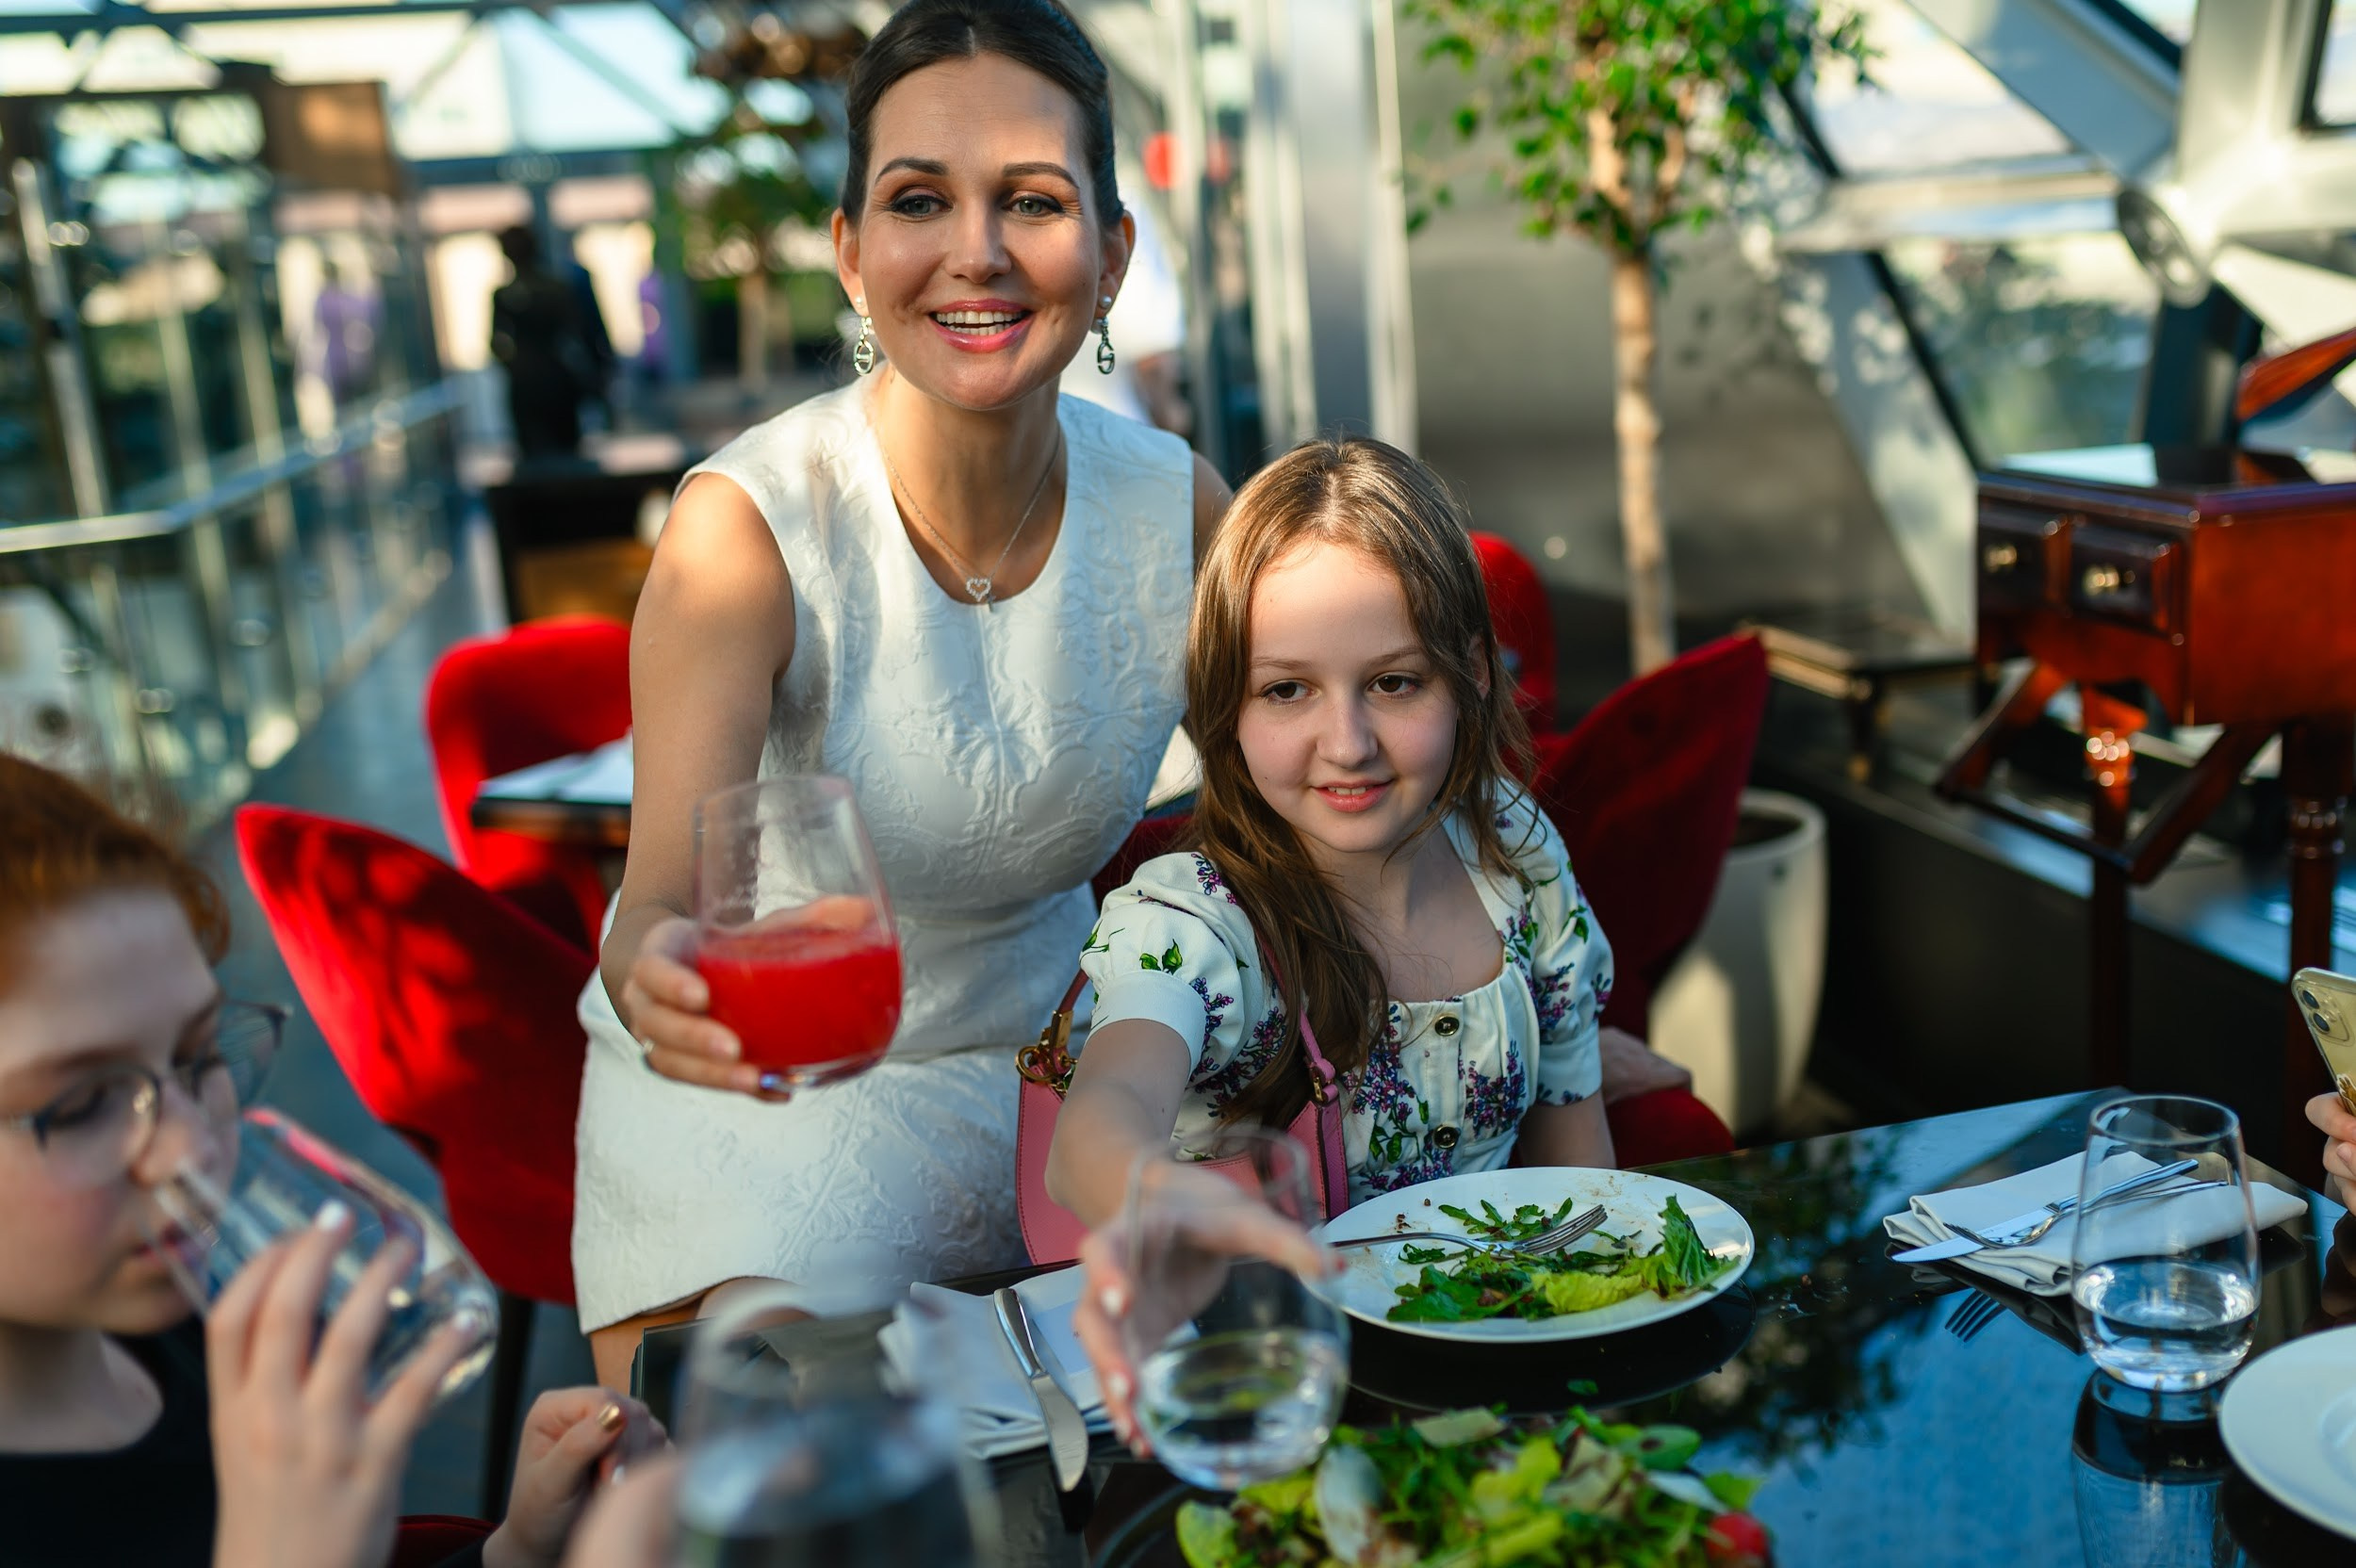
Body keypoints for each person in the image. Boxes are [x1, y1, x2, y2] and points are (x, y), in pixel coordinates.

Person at [576, 0, 1231, 1390]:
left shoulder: (1177, 508)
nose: (976, 251)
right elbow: (658, 912)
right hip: (781, 1097)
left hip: (1070, 1076)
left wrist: (1521, 978)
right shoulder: (746, 529)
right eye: (919, 199)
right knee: (801, 1463)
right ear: (853, 253)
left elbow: (1317, 797)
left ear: (1113, 256)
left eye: (1034, 201)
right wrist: (661, 982)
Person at [1043, 437, 1616, 1443]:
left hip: (1495, 1392)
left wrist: (1596, 1380)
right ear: (1224, 709)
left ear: (1472, 675)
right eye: (1286, 689)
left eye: (1394, 682)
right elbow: (1102, 1117)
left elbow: (1575, 1144)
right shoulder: (1193, 923)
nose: (1346, 742)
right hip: (1271, 1404)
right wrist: (1142, 1194)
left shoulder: (1518, 856)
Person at [0, 755, 658, 1568]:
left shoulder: (197, 1342)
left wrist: (516, 1551)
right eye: (84, 1103)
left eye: (198, 1056)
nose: (189, 1147)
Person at [490, 225, 595, 462]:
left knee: (548, 452)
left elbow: (497, 342)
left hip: (534, 378)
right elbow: (578, 334)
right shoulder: (553, 288)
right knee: (560, 451)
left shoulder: (512, 294)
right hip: (551, 375)